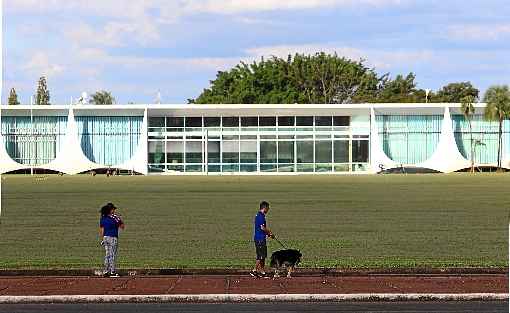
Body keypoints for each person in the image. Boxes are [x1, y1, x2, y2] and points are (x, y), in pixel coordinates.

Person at [99, 202, 125, 277]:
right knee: (112, 255)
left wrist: (103, 238)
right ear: (110, 210)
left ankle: (105, 271)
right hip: (113, 237)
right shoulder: (114, 217)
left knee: (107, 254)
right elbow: (122, 226)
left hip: (105, 238)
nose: (114, 210)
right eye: (113, 209)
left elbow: (102, 229)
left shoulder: (103, 218)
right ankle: (112, 271)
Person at [250, 201, 274, 278]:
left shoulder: (259, 215)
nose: (268, 210)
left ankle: (262, 272)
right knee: (260, 256)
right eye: (268, 208)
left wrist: (268, 234)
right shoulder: (260, 216)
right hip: (260, 239)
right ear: (265, 208)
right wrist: (269, 233)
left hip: (260, 238)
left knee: (262, 256)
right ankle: (254, 270)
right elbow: (262, 228)